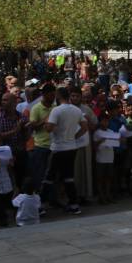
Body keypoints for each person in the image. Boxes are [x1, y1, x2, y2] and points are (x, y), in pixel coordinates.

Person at [44, 86, 86, 214]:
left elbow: (49, 128)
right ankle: (74, 205)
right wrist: (74, 136)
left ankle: (40, 205)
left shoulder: (56, 110)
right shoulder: (76, 110)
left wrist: (46, 122)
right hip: (71, 147)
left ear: (58, 96)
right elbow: (85, 127)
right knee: (69, 177)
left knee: (49, 177)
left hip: (58, 147)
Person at [93, 114, 116, 204]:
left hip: (110, 158)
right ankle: (101, 196)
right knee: (100, 178)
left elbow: (116, 142)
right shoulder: (97, 132)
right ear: (100, 122)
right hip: (101, 158)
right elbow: (94, 147)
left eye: (107, 121)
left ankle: (108, 195)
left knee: (109, 178)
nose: (105, 123)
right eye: (103, 121)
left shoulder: (111, 131)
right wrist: (100, 141)